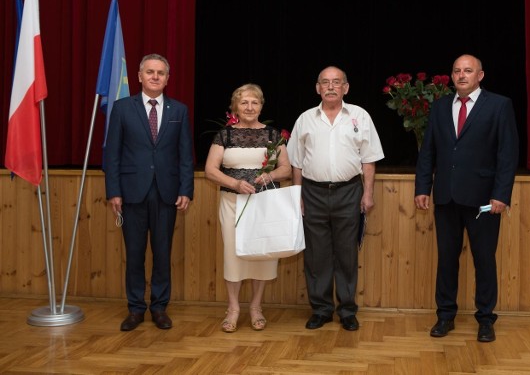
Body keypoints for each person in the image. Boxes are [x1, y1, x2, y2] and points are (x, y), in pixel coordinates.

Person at [414, 54, 518, 342]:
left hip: (484, 201)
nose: (462, 75)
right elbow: (428, 152)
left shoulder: (499, 105)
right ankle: (445, 316)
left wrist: (501, 195)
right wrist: (422, 187)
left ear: (480, 75)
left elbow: (507, 155)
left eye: (468, 71)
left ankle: (485, 319)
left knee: (484, 260)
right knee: (447, 259)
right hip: (446, 198)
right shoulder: (439, 107)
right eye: (457, 71)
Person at [287, 66, 384, 331]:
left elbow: (369, 159)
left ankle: (347, 310)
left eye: (336, 82)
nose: (330, 87)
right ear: (317, 88)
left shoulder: (360, 117)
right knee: (316, 255)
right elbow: (296, 163)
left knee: (346, 254)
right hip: (313, 192)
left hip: (349, 192)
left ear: (346, 87)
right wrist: (298, 196)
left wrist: (368, 193)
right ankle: (321, 309)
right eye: (325, 82)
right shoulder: (305, 119)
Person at [104, 53, 194, 331]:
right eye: (150, 72)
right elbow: (112, 154)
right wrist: (114, 191)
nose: (155, 77)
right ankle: (135, 309)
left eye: (161, 73)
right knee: (134, 253)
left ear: (168, 79)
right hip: (131, 193)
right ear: (140, 76)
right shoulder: (122, 108)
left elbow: (185, 155)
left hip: (167, 193)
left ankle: (159, 308)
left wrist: (186, 189)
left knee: (163, 253)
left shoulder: (179, 110)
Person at [204, 83, 291, 333]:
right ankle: (233, 309)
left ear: (261, 106)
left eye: (254, 102)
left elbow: (286, 168)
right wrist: (235, 183)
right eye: (244, 102)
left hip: (264, 205)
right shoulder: (225, 136)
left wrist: (268, 176)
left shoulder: (274, 135)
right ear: (236, 107)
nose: (249, 107)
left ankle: (256, 307)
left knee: (261, 256)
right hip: (232, 204)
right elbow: (210, 170)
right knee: (234, 255)